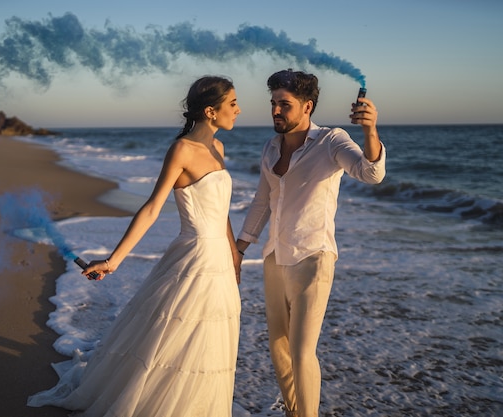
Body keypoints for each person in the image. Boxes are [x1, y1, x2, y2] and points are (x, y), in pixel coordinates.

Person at [28, 76, 243, 416]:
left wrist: (234, 255)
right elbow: (152, 207)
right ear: (211, 111)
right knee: (174, 335)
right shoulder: (183, 149)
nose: (239, 110)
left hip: (219, 258)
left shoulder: (219, 148)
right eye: (233, 103)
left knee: (212, 340)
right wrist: (113, 261)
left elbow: (223, 212)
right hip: (195, 256)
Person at [235, 69, 386, 417]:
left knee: (303, 352)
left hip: (313, 258)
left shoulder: (331, 140)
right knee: (278, 348)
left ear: (307, 106)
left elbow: (372, 174)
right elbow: (262, 202)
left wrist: (370, 129)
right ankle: (294, 411)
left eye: (284, 104)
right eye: (273, 103)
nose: (275, 110)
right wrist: (239, 249)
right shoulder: (271, 147)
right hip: (273, 257)